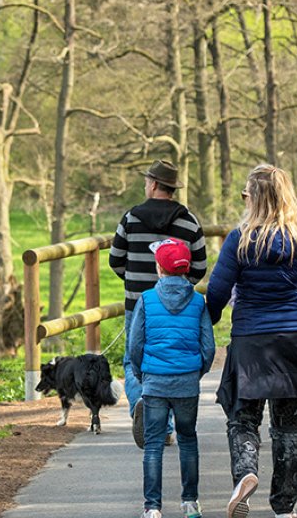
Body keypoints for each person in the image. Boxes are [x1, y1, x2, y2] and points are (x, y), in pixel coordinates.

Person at [206, 164, 297, 518]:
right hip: (296, 341)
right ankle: (284, 508)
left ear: (252, 199)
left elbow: (218, 292)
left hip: (251, 342)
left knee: (243, 420)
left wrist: (201, 328)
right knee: (287, 426)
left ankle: (246, 473)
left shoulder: (239, 239)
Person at [110, 159, 207, 448]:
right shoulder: (189, 221)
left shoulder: (130, 218)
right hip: (178, 309)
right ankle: (163, 426)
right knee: (171, 357)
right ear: (171, 188)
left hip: (137, 302)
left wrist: (134, 283)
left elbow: (115, 261)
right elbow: (199, 267)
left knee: (133, 358)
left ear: (153, 184)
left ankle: (143, 402)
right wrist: (178, 288)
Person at [128, 238, 214, 518]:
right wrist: (197, 371)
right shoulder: (199, 302)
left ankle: (152, 508)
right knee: (188, 439)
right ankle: (190, 502)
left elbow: (135, 345)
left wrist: (142, 373)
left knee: (153, 444)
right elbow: (208, 346)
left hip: (155, 380)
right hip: (187, 382)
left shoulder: (147, 299)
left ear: (159, 269)